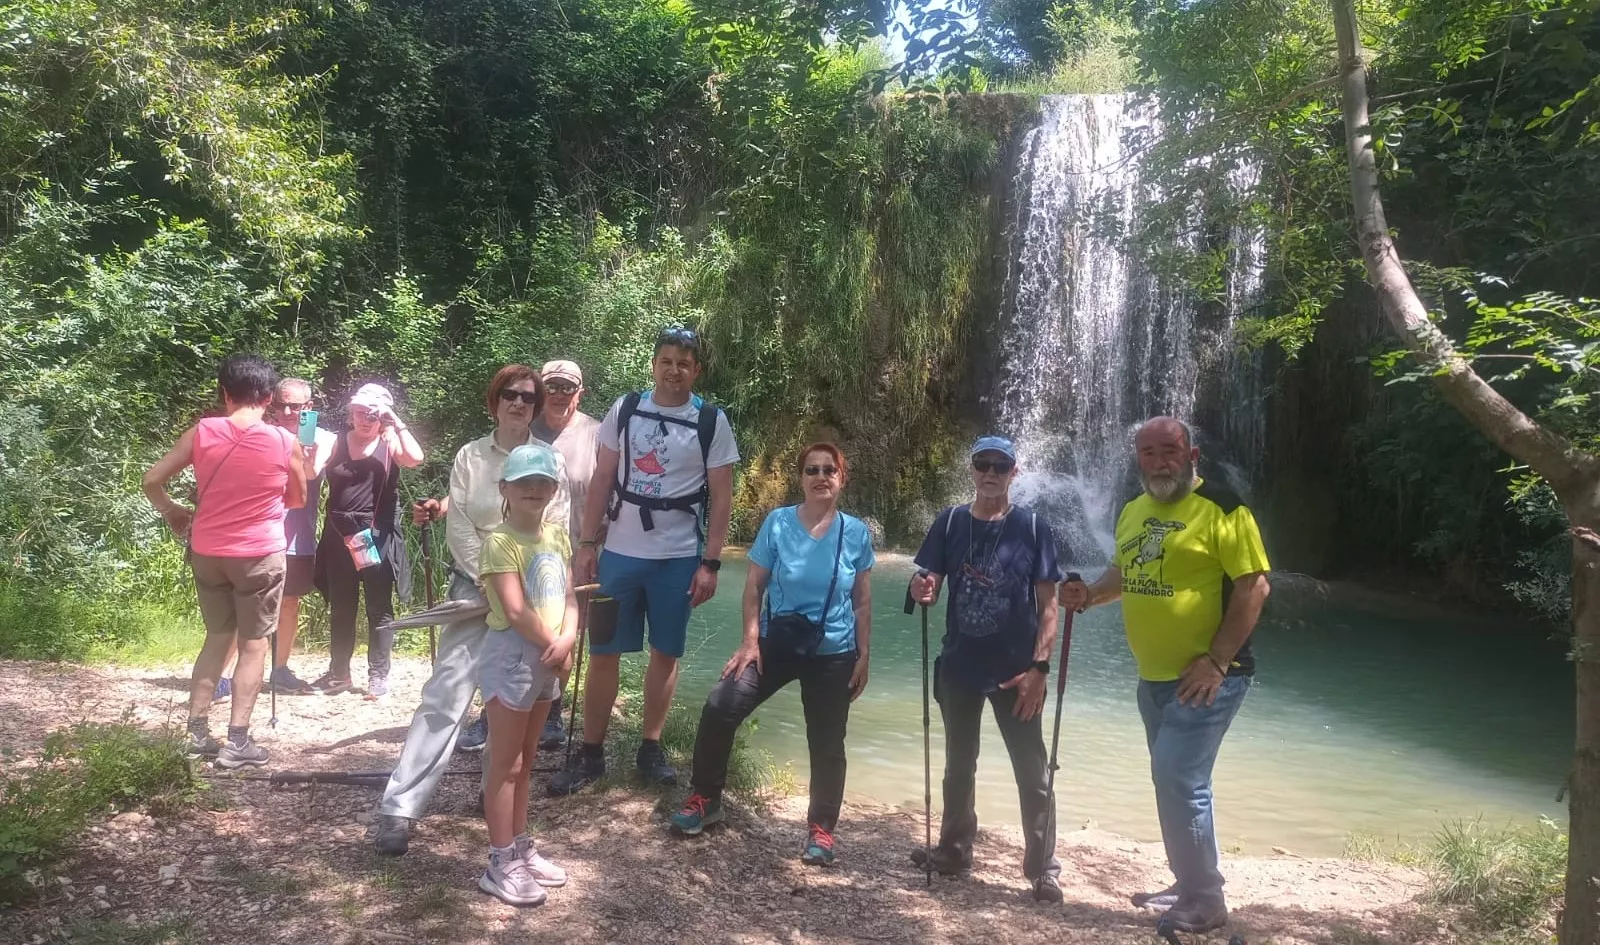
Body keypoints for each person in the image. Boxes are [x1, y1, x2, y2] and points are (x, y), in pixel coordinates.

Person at [1059, 416, 1270, 934]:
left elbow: (1254, 587)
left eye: (1169, 451)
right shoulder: (1134, 511)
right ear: (1138, 460)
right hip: (1152, 676)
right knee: (1174, 780)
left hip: (1211, 676)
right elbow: (1124, 575)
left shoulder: (1223, 508)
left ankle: (1205, 898)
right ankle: (1187, 882)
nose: (1159, 462)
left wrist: (1218, 659)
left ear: (1192, 455)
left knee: (1178, 778)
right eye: (1148, 453)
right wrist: (1088, 595)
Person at [374, 365, 570, 856]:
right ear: (494, 401)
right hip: (475, 591)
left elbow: (556, 528)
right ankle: (401, 806)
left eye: (528, 396)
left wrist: (520, 595)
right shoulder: (470, 457)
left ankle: (494, 799)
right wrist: (491, 578)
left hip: (531, 600)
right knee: (446, 696)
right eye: (509, 394)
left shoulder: (550, 461)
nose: (518, 403)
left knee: (511, 703)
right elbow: (458, 523)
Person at [551, 326, 739, 795]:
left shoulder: (711, 422)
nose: (674, 370)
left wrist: (710, 563)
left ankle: (650, 747)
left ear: (696, 370)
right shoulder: (627, 409)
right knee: (604, 651)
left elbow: (721, 497)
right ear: (654, 364)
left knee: (666, 652)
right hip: (619, 553)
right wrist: (588, 545)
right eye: (667, 360)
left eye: (684, 363)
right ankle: (590, 751)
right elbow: (603, 479)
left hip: (677, 557)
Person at [670, 443, 874, 866]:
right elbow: (754, 587)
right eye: (812, 470)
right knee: (721, 704)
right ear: (800, 477)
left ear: (842, 477)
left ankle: (821, 830)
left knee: (827, 741)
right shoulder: (778, 523)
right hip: (776, 641)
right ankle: (706, 798)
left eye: (829, 470)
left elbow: (862, 601)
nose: (821, 477)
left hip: (834, 649)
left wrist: (864, 652)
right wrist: (749, 641)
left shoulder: (855, 533)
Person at [907, 435, 1065, 902]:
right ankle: (954, 850)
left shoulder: (1033, 527)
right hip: (959, 665)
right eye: (983, 464)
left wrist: (1040, 668)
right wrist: (922, 588)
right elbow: (929, 578)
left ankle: (1043, 867)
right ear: (972, 468)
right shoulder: (951, 521)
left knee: (1033, 770)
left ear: (1014, 471)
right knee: (958, 764)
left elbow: (1049, 605)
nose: (991, 472)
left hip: (1017, 673)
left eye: (1001, 465)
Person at [142, 354, 307, 769]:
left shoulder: (202, 432)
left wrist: (173, 511)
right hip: (259, 554)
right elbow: (299, 498)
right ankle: (237, 742)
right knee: (253, 645)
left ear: (224, 393)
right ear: (269, 398)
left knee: (218, 637)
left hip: (208, 551)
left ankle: (196, 733)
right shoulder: (285, 442)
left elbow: (151, 480)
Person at [474, 442, 578, 906]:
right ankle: (499, 861)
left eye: (542, 482)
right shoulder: (499, 541)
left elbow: (571, 597)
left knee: (529, 758)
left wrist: (569, 639)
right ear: (506, 489)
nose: (534, 489)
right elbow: (515, 610)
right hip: (514, 656)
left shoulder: (556, 535)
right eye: (524, 482)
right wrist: (552, 645)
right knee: (506, 761)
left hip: (549, 655)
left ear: (553, 489)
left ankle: (518, 845)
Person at [311, 382, 424, 698]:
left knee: (379, 606)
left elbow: (416, 458)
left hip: (377, 534)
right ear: (351, 412)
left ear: (383, 416)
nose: (365, 418)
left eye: (373, 413)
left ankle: (378, 675)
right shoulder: (335, 442)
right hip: (338, 534)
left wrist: (394, 421)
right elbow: (309, 471)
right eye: (360, 411)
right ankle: (339, 673)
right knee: (341, 606)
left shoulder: (391, 443)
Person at [526, 359, 602, 751]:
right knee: (513, 629)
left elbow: (615, 490)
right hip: (525, 549)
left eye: (567, 388)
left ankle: (552, 712)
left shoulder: (598, 434)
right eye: (551, 387)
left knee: (566, 634)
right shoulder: (522, 427)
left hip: (580, 553)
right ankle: (497, 711)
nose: (559, 394)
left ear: (580, 393)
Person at [268, 377, 337, 693]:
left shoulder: (322, 437)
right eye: (280, 404)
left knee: (289, 602)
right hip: (262, 531)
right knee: (248, 603)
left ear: (308, 408)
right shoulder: (263, 431)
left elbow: (311, 474)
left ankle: (279, 669)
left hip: (298, 535)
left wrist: (305, 452)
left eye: (295, 406)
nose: (286, 411)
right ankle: (228, 674)